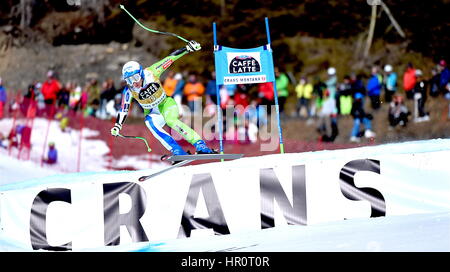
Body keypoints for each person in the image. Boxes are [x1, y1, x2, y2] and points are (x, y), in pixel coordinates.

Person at [110, 40, 215, 160]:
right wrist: (118, 126)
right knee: (150, 124)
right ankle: (177, 151)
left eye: (135, 78)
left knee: (171, 120)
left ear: (141, 73)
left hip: (165, 104)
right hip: (152, 112)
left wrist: (188, 48)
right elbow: (124, 109)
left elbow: (170, 58)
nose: (134, 83)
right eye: (129, 80)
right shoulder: (129, 90)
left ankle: (200, 145)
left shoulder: (151, 72)